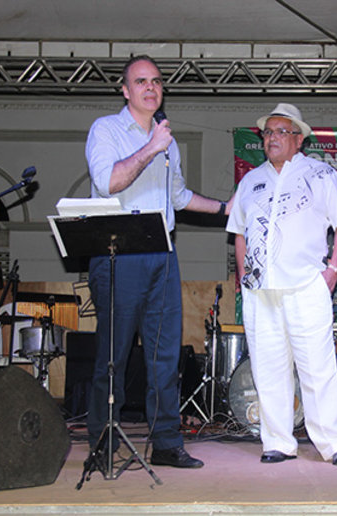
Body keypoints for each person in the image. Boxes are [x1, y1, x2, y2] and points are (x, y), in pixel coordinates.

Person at [85, 55, 232, 468]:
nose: (151, 88)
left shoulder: (168, 142)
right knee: (113, 356)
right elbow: (107, 181)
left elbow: (179, 198)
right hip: (119, 255)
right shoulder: (107, 130)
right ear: (125, 90)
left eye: (157, 82)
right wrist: (151, 148)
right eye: (141, 82)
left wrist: (224, 207)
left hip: (163, 254)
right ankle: (102, 445)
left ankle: (166, 442)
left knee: (165, 356)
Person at [226, 103, 337, 466]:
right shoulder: (251, 180)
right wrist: (243, 276)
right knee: (268, 368)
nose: (272, 138)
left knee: (317, 367)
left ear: (298, 139)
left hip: (306, 286)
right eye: (268, 132)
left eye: (281, 131)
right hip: (260, 290)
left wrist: (331, 272)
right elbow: (238, 233)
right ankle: (279, 442)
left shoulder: (321, 174)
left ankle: (334, 443)